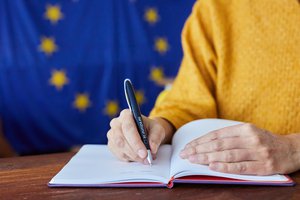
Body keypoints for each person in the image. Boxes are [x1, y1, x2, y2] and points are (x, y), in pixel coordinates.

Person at [107, 0, 300, 175]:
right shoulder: (217, 8)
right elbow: (189, 103)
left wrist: (293, 149)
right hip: (227, 188)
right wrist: (158, 128)